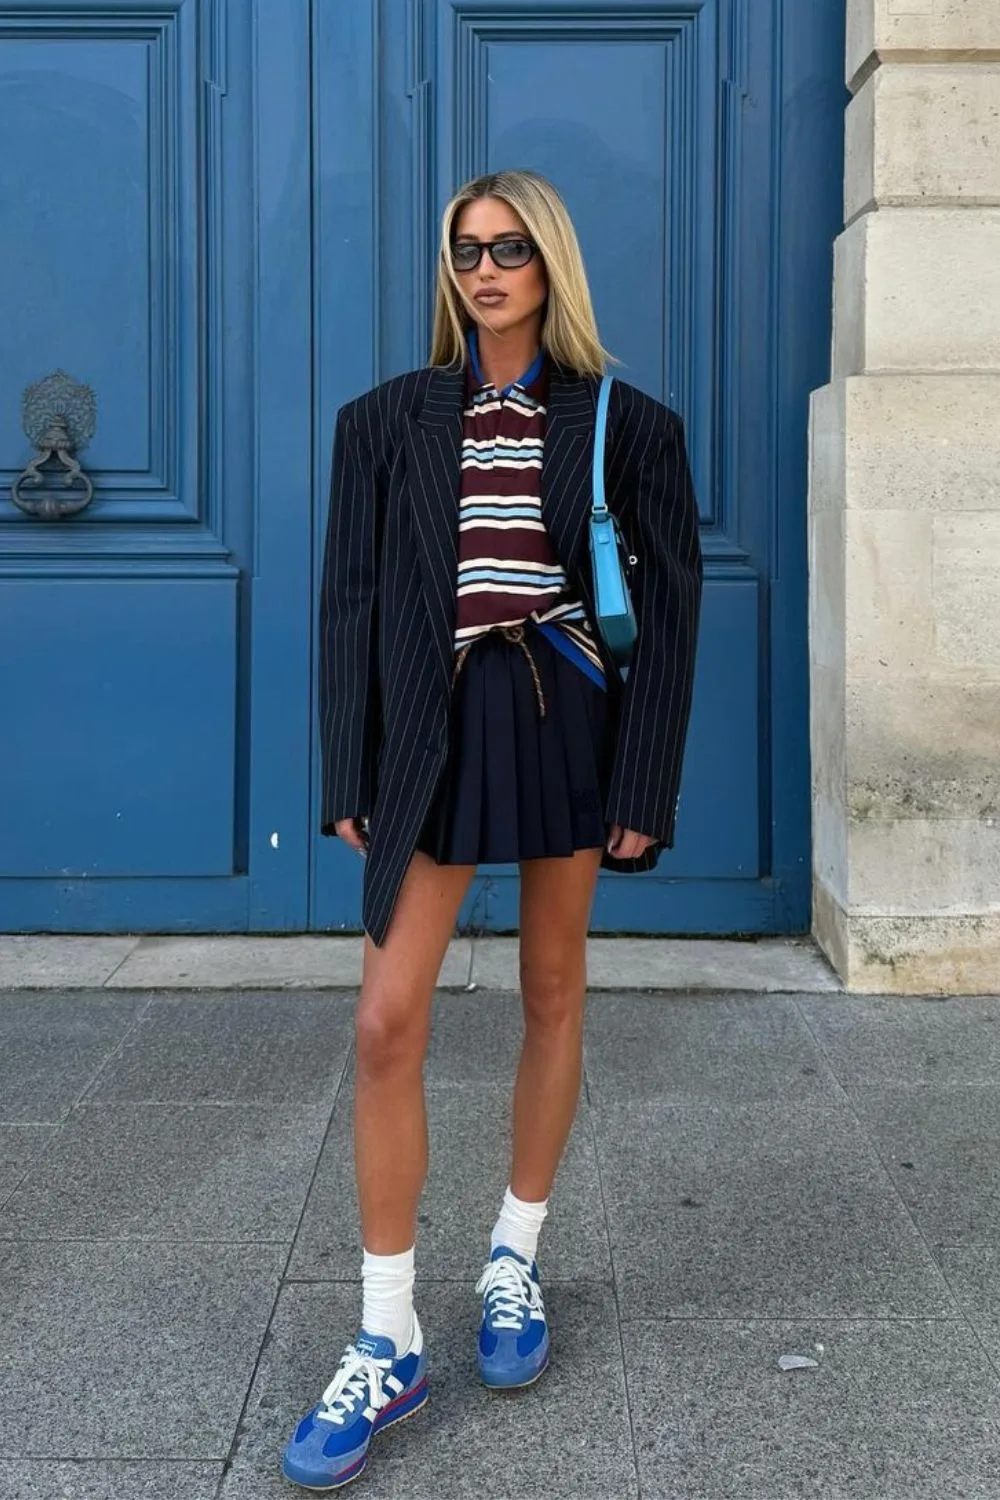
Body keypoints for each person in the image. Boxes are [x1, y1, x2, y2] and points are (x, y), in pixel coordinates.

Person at [282, 169, 703, 1490]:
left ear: (552, 263)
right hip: (432, 727)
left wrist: (644, 784)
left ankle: (513, 1259)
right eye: (468, 248)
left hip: (562, 709)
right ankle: (387, 1326)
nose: (487, 267)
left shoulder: (626, 421)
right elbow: (350, 596)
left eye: (512, 247)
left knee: (552, 984)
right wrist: (346, 761)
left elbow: (674, 609)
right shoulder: (385, 422)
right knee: (386, 1015)